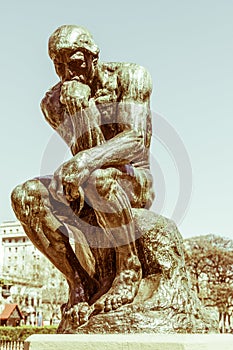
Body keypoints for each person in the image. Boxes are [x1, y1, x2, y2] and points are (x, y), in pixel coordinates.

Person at [11, 25, 155, 322]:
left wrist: (85, 161)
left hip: (135, 179)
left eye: (75, 63)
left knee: (95, 176)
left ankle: (128, 269)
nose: (67, 74)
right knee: (25, 196)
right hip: (91, 179)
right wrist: (81, 110)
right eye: (58, 66)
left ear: (93, 57)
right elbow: (85, 150)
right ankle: (79, 284)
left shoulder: (130, 77)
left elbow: (135, 139)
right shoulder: (54, 102)